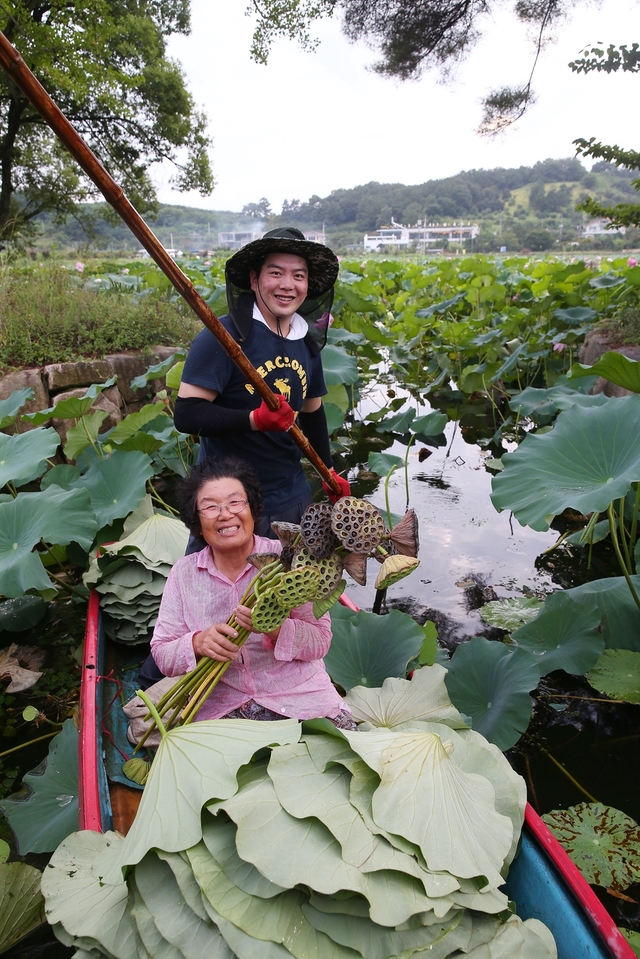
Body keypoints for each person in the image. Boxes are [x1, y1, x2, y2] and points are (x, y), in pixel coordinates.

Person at [149, 457, 355, 728]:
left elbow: (320, 641)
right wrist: (198, 643)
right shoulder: (184, 574)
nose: (225, 514)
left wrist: (276, 627)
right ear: (196, 523)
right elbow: (162, 653)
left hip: (301, 699)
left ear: (254, 510)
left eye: (235, 503)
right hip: (222, 705)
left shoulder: (290, 560)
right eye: (210, 507)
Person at [173, 227, 350, 543]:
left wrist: (330, 472)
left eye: (298, 276)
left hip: (290, 495)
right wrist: (253, 420)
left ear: (308, 286)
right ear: (254, 280)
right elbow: (187, 414)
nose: (287, 285)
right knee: (226, 591)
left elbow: (313, 414)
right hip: (229, 501)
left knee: (294, 588)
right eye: (276, 273)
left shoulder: (306, 344)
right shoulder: (224, 339)